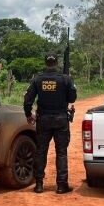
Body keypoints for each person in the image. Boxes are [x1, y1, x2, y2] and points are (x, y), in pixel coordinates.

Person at [23, 53, 77, 194]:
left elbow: (27, 100)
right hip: (61, 120)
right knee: (61, 153)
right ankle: (61, 185)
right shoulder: (65, 79)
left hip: (43, 120)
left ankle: (39, 184)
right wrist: (69, 83)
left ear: (45, 62)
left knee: (41, 152)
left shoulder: (37, 79)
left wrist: (28, 115)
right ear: (56, 63)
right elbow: (73, 98)